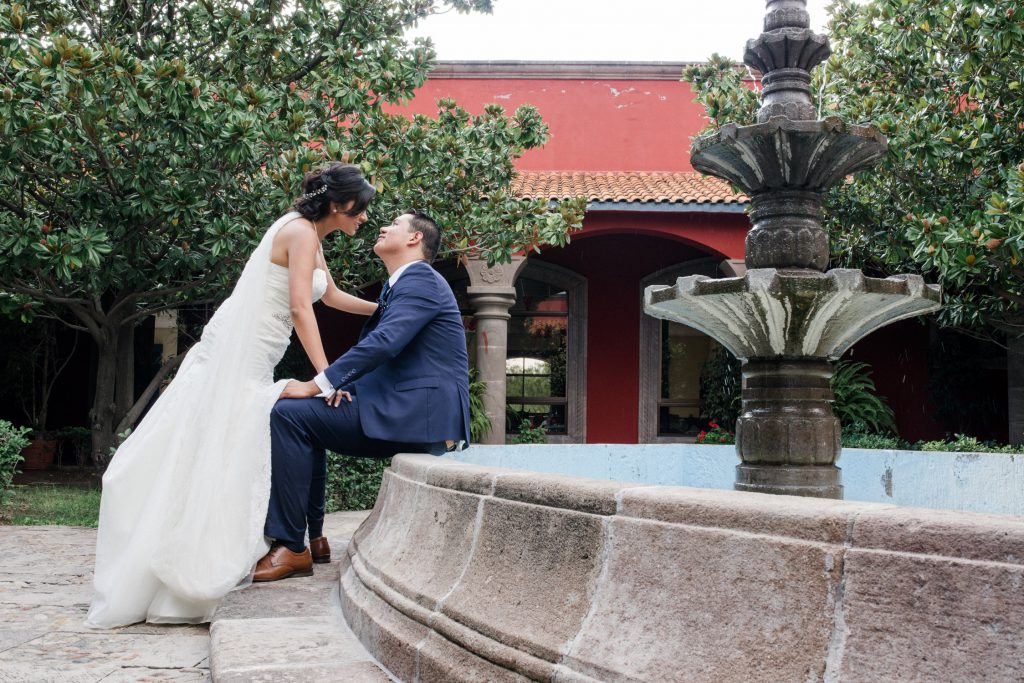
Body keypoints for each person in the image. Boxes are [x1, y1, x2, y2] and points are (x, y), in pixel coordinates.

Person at [86, 163, 378, 627]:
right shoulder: (300, 232)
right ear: (340, 205)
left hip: (257, 351)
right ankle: (196, 549)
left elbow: (331, 296)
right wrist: (326, 377)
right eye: (361, 209)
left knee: (222, 438)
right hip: (244, 354)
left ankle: (256, 541)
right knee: (219, 440)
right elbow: (302, 307)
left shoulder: (309, 234)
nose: (364, 218)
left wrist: (386, 309)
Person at [253, 210, 470, 582]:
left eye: (395, 225)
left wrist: (320, 382)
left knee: (290, 414)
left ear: (415, 239)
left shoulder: (420, 279)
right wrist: (331, 388)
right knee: (305, 412)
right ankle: (314, 538)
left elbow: (384, 344)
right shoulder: (402, 285)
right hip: (402, 404)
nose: (382, 227)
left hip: (418, 412)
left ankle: (291, 546)